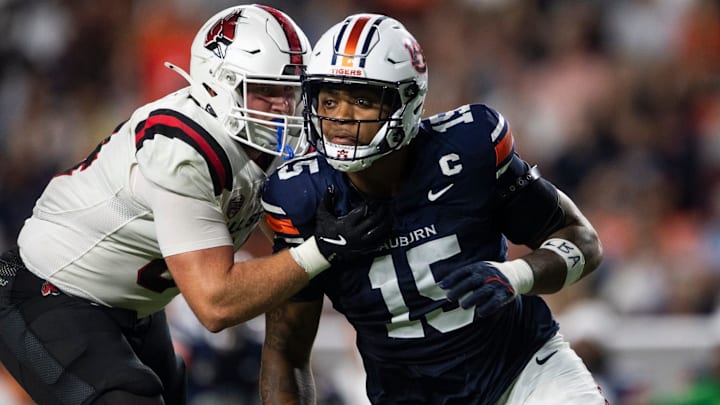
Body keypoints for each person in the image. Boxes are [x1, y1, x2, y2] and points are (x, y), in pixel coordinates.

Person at [0, 5, 389, 405]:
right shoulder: (181, 150)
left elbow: (290, 248)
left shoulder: (269, 144)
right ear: (217, 85)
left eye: (292, 90)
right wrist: (322, 249)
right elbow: (215, 303)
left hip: (133, 307)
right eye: (266, 91)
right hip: (45, 288)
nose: (283, 107)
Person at [260, 13, 608, 405]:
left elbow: (583, 241)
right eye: (328, 98)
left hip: (525, 373)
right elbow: (285, 351)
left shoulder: (469, 149)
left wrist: (516, 275)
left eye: (361, 99)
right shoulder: (300, 195)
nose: (340, 115)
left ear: (406, 101)